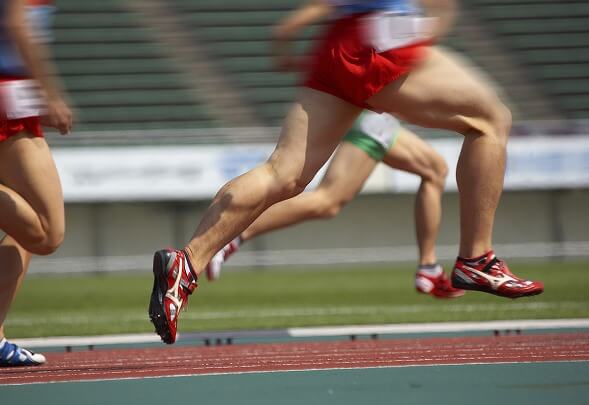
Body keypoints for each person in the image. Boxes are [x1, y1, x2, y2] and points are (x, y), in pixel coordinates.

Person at [149, 0, 543, 345]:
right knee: (491, 120)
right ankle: (476, 259)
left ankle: (186, 262)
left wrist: (285, 42)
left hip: (337, 44)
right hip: (382, 36)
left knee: (284, 174)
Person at [204, 111, 465, 299]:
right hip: (372, 120)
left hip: (378, 120)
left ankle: (428, 267)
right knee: (325, 200)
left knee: (435, 169)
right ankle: (231, 236)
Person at [0, 0, 72, 366]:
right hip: (7, 97)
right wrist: (50, 93)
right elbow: (17, 24)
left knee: (26, 226)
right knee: (47, 232)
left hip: (14, 94)